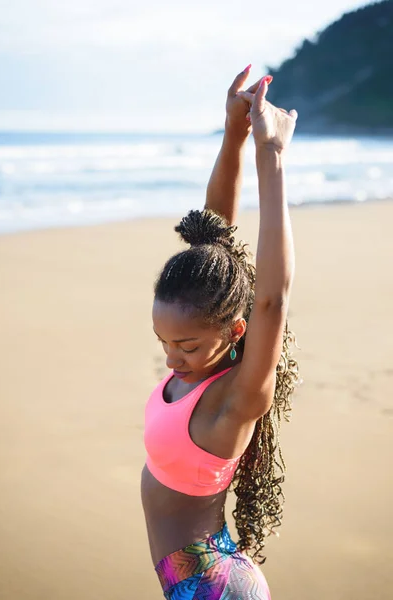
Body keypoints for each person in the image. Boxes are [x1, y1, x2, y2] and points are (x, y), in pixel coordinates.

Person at [141, 65, 300, 599]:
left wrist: (270, 157)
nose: (171, 359)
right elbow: (215, 238)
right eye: (163, 342)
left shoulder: (235, 397)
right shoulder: (198, 364)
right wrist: (232, 132)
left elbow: (272, 301)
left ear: (236, 329)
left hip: (214, 586)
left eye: (186, 346)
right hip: (194, 581)